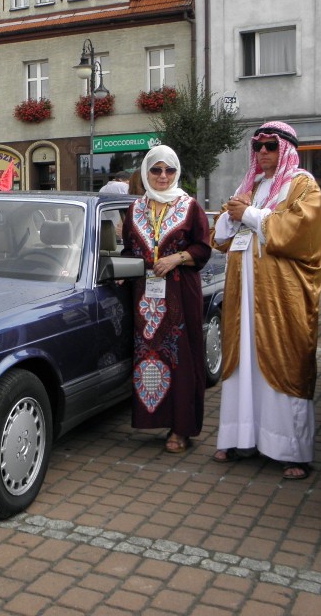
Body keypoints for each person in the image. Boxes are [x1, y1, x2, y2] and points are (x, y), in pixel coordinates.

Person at [211, 121, 321, 481]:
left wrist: (245, 214)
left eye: (270, 146)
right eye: (258, 146)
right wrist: (235, 217)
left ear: (285, 148)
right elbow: (220, 235)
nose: (263, 152)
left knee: (284, 360)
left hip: (280, 298)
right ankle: (239, 436)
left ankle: (291, 449)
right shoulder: (249, 185)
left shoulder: (302, 184)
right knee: (242, 361)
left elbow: (299, 231)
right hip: (242, 296)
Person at [121, 145, 211, 454]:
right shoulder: (135, 209)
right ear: (146, 173)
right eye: (156, 170)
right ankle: (156, 419)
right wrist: (121, 270)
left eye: (169, 170)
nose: (162, 176)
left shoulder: (190, 207)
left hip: (180, 294)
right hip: (145, 298)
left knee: (182, 358)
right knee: (149, 358)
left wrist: (177, 258)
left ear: (177, 173)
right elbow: (129, 250)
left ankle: (182, 428)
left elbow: (203, 249)